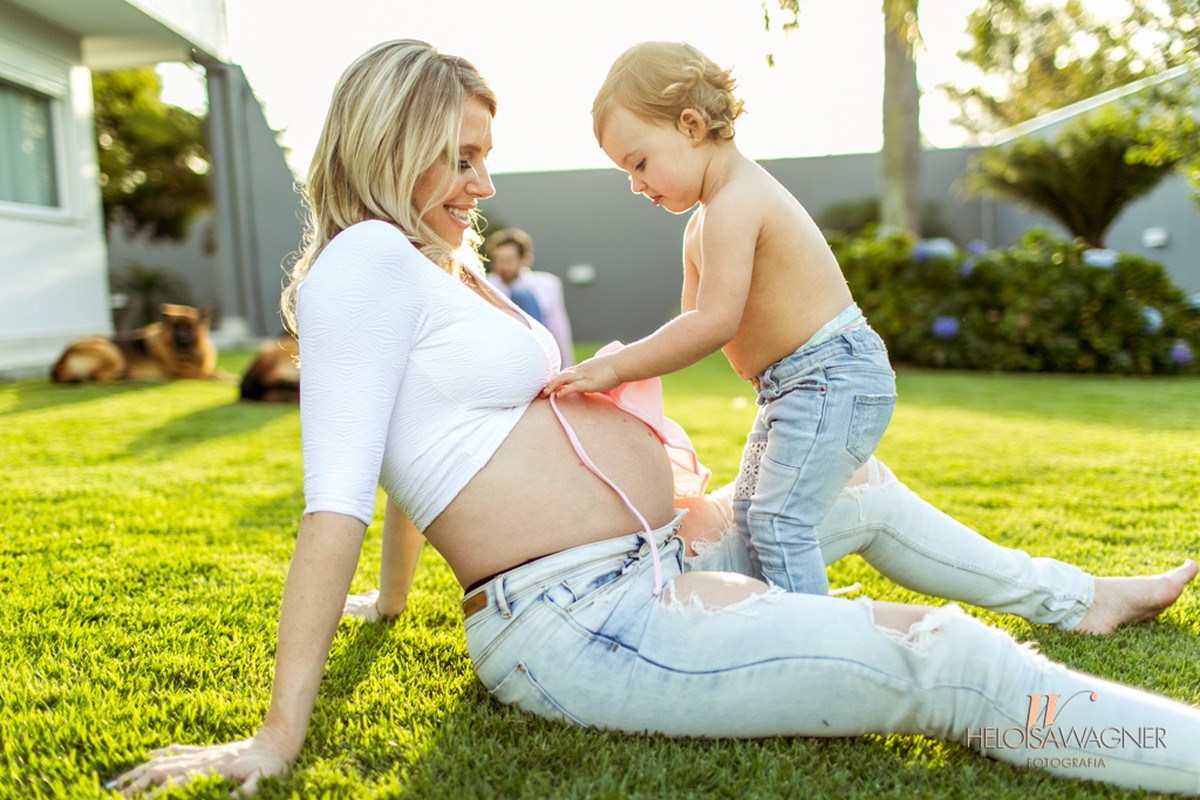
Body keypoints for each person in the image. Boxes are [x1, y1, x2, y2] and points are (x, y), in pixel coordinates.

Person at [111, 40, 1200, 798]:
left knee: (856, 486)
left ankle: (1084, 597)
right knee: (944, 657)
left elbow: (423, 446)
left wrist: (394, 602)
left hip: (651, 554)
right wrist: (274, 733)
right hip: (577, 618)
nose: (483, 182)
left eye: (485, 153)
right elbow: (340, 493)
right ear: (384, 139)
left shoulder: (436, 264)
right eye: (460, 155)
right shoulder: (362, 263)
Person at [544, 42, 896, 597]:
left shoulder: (737, 201)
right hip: (793, 387)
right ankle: (789, 611)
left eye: (639, 162)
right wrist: (626, 367)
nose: (636, 184)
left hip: (832, 374)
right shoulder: (702, 223)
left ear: (690, 125)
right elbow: (689, 329)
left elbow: (713, 324)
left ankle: (812, 642)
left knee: (779, 523)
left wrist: (613, 370)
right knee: (756, 515)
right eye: (625, 172)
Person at [485, 227, 575, 366]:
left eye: (508, 260)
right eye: (498, 260)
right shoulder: (486, 285)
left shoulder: (547, 285)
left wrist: (566, 365)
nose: (502, 266)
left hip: (540, 351)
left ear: (525, 259)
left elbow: (559, 326)